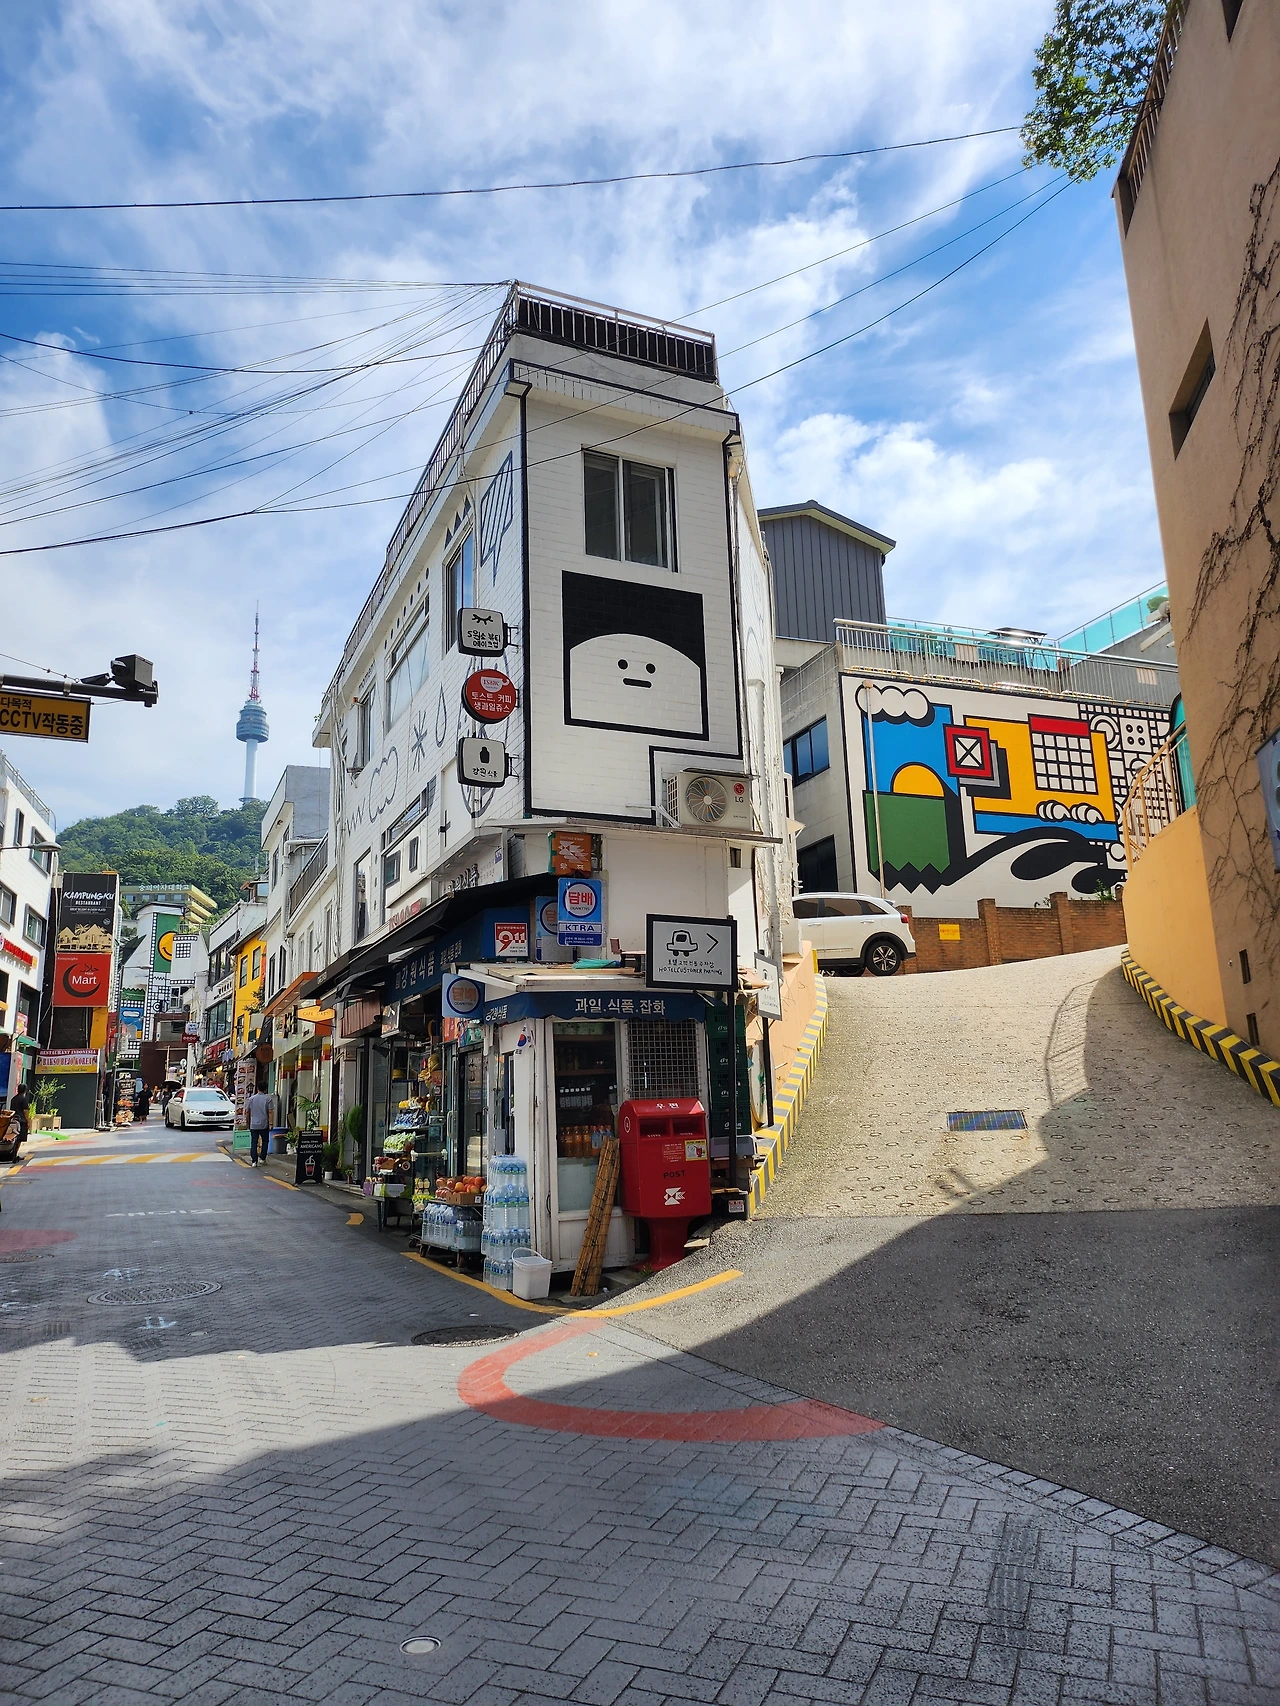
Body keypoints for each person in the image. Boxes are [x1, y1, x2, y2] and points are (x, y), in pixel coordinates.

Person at [247, 1087, 273, 1166]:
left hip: (253, 1124)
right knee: (265, 1141)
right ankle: (262, 1158)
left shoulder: (251, 1099)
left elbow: (247, 1112)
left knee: (254, 1142)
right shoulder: (268, 1099)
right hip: (264, 1124)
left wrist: (247, 1123)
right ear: (265, 1089)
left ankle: (254, 1161)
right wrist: (271, 1124)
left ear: (257, 1089)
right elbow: (270, 1112)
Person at [9, 1082, 30, 1146]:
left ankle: (13, 1150)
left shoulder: (13, 1099)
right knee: (20, 1138)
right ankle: (16, 1151)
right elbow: (25, 1111)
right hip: (21, 1121)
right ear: (25, 1090)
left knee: (14, 1136)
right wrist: (28, 1121)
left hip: (13, 1120)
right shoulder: (24, 1099)